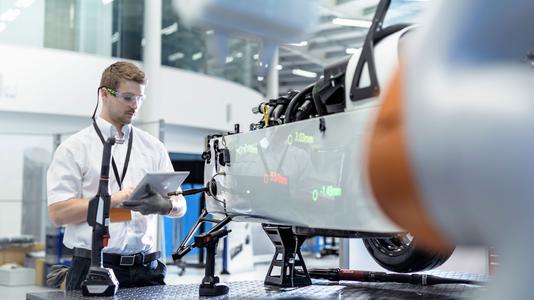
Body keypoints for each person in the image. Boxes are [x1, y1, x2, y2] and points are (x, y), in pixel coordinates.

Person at [47, 61, 186, 290]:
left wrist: (164, 205)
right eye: (128, 97)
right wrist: (115, 200)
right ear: (104, 93)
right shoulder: (74, 148)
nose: (135, 106)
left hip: (147, 271)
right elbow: (58, 214)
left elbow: (180, 205)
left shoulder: (154, 147)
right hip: (93, 268)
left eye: (140, 98)